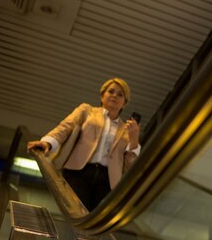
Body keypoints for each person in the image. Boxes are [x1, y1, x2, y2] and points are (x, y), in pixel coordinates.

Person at [27, 78, 141, 211]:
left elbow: (130, 165)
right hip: (79, 171)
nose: (115, 95)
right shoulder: (87, 111)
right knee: (77, 212)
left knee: (94, 220)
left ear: (124, 104)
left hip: (107, 181)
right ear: (102, 95)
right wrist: (47, 142)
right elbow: (65, 127)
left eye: (120, 94)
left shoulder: (126, 129)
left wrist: (134, 139)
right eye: (111, 91)